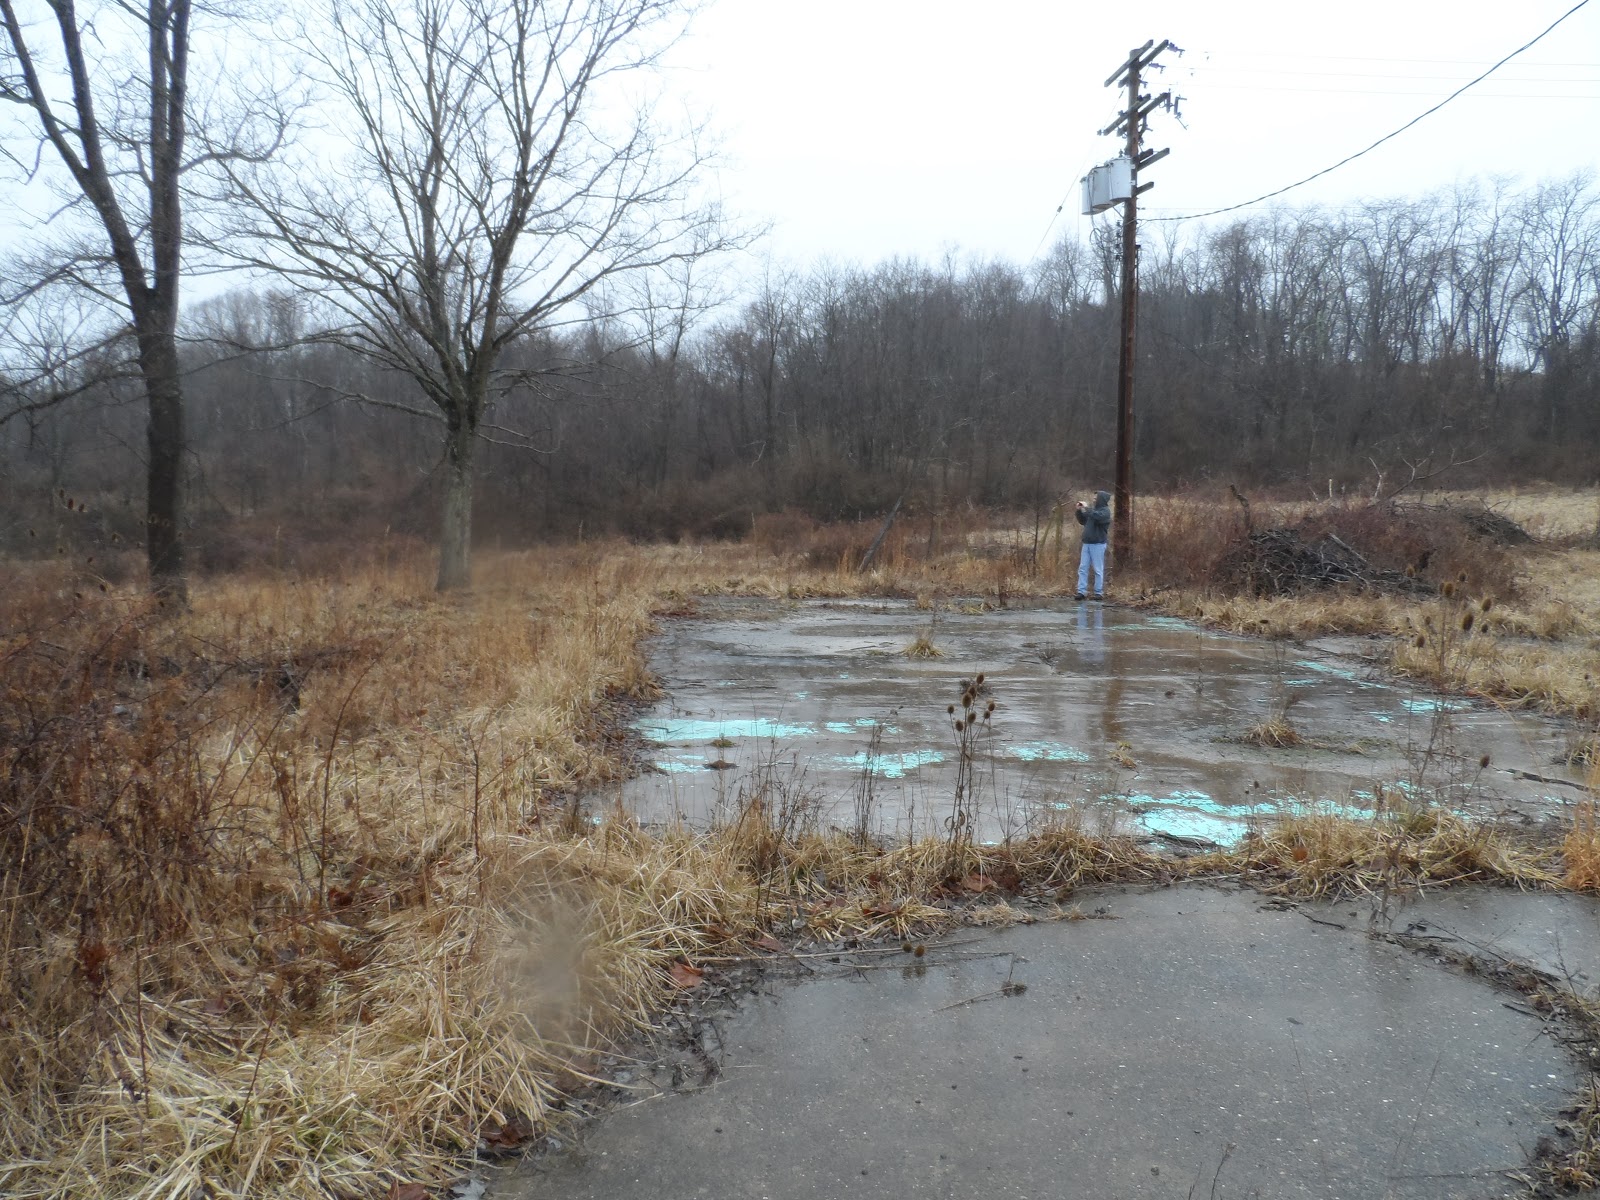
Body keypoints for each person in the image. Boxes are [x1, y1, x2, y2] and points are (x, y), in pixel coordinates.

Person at [1073, 490, 1111, 600]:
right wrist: (1079, 511)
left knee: (1098, 569)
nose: (1094, 500)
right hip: (1087, 544)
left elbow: (1096, 517)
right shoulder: (1093, 511)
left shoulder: (1105, 512)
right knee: (1083, 568)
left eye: (1096, 498)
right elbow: (1083, 521)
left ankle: (1098, 593)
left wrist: (1087, 508)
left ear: (1101, 499)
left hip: (1098, 544)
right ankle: (1081, 592)